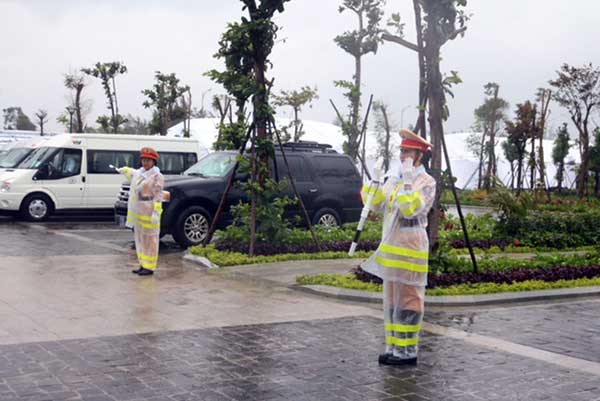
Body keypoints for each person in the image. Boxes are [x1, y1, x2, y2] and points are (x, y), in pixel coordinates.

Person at [360, 129, 436, 366]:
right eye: (401, 151)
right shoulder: (396, 178)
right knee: (391, 302)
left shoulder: (426, 182)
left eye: (408, 151)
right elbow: (374, 205)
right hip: (392, 249)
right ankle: (393, 346)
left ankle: (408, 351)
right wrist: (375, 180)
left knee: (410, 301)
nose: (403, 156)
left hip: (411, 250)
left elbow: (409, 209)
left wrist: (407, 181)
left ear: (419, 155)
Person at [117, 147, 165, 276]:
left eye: (148, 160)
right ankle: (143, 264)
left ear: (154, 161)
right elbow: (132, 173)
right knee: (140, 240)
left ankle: (150, 267)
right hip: (139, 212)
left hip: (149, 211)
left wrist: (156, 212)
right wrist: (125, 170)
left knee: (151, 240)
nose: (145, 162)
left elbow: (158, 195)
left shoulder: (157, 176)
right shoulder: (140, 173)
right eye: (143, 160)